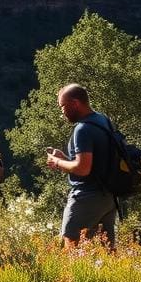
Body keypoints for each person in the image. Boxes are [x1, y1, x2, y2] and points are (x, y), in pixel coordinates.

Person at [46, 83, 117, 248]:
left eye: (63, 106)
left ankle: (72, 275)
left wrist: (57, 162)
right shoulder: (103, 120)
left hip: (87, 195)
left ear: (75, 103)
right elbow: (94, 162)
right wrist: (65, 158)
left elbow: (83, 169)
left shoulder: (82, 129)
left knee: (70, 246)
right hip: (109, 195)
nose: (62, 111)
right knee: (106, 249)